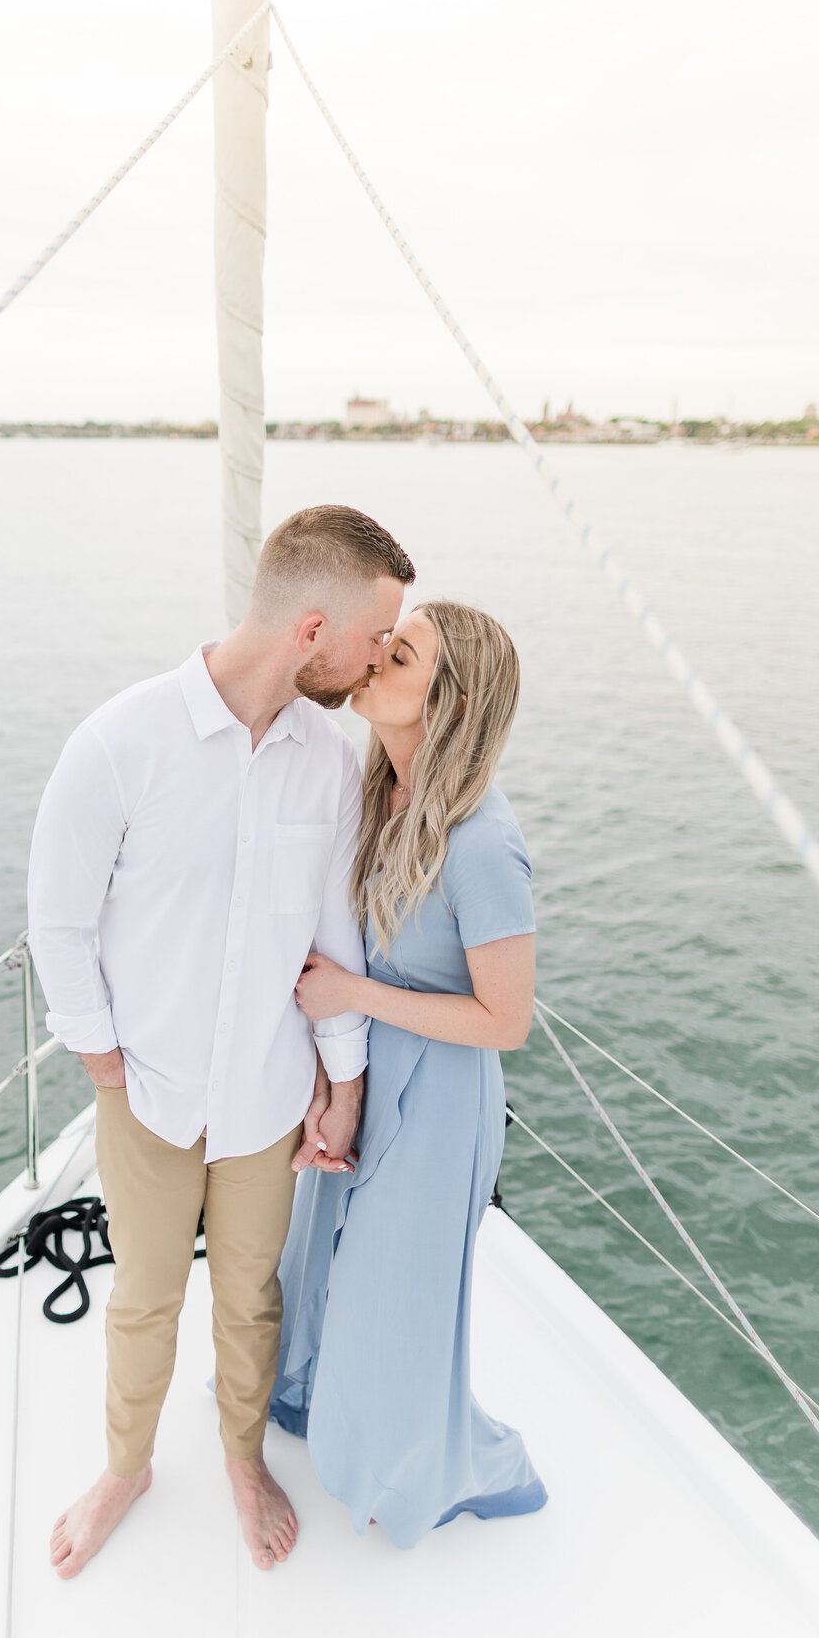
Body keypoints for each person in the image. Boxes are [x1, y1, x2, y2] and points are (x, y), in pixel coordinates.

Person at [26, 505, 416, 1579]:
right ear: (312, 628)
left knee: (251, 1296)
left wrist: (342, 1084)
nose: (379, 656)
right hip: (143, 1094)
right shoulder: (119, 741)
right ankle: (125, 1467)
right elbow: (57, 922)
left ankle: (241, 1459)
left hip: (265, 1098)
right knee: (144, 1294)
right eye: (375, 635)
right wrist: (104, 1062)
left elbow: (334, 938)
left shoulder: (328, 763)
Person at [270, 598, 549, 1546]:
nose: (374, 661)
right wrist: (330, 1073)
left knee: (395, 1298)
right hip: (369, 1077)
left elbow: (506, 1019)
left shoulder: (482, 840)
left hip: (439, 1103)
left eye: (401, 654)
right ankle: (313, 1400)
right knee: (320, 1259)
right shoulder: (376, 796)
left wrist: (353, 993)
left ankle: (410, 1469)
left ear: (451, 699)